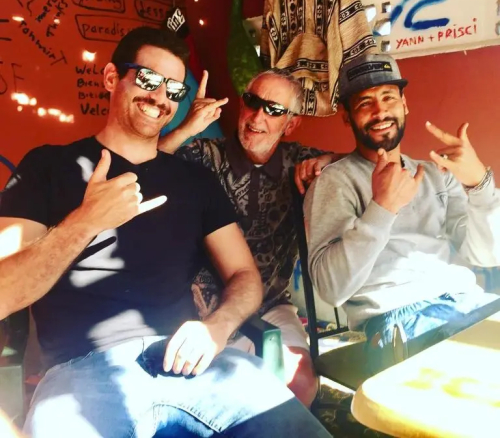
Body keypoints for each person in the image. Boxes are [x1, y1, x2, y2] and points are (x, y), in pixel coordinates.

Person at [0, 27, 330, 437]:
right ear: (111, 78)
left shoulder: (194, 180)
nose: (161, 97)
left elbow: (244, 275)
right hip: (82, 374)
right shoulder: (48, 167)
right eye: (148, 79)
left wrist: (217, 327)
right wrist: (85, 222)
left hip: (192, 363)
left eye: (174, 89)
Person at [304, 53, 500, 373]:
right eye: (365, 103)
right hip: (400, 319)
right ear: (347, 117)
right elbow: (331, 288)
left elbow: (488, 255)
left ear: (404, 104)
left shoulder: (437, 174)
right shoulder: (334, 182)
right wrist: (382, 209)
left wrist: (480, 185)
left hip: (468, 301)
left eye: (388, 97)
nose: (380, 111)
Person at [158, 68, 341, 407]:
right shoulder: (203, 155)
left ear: (291, 124)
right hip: (200, 308)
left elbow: (361, 163)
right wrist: (185, 129)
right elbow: (144, 167)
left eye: (274, 109)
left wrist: (331, 160)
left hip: (270, 304)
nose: (258, 117)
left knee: (300, 381)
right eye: (252, 102)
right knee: (215, 393)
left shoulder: (298, 162)